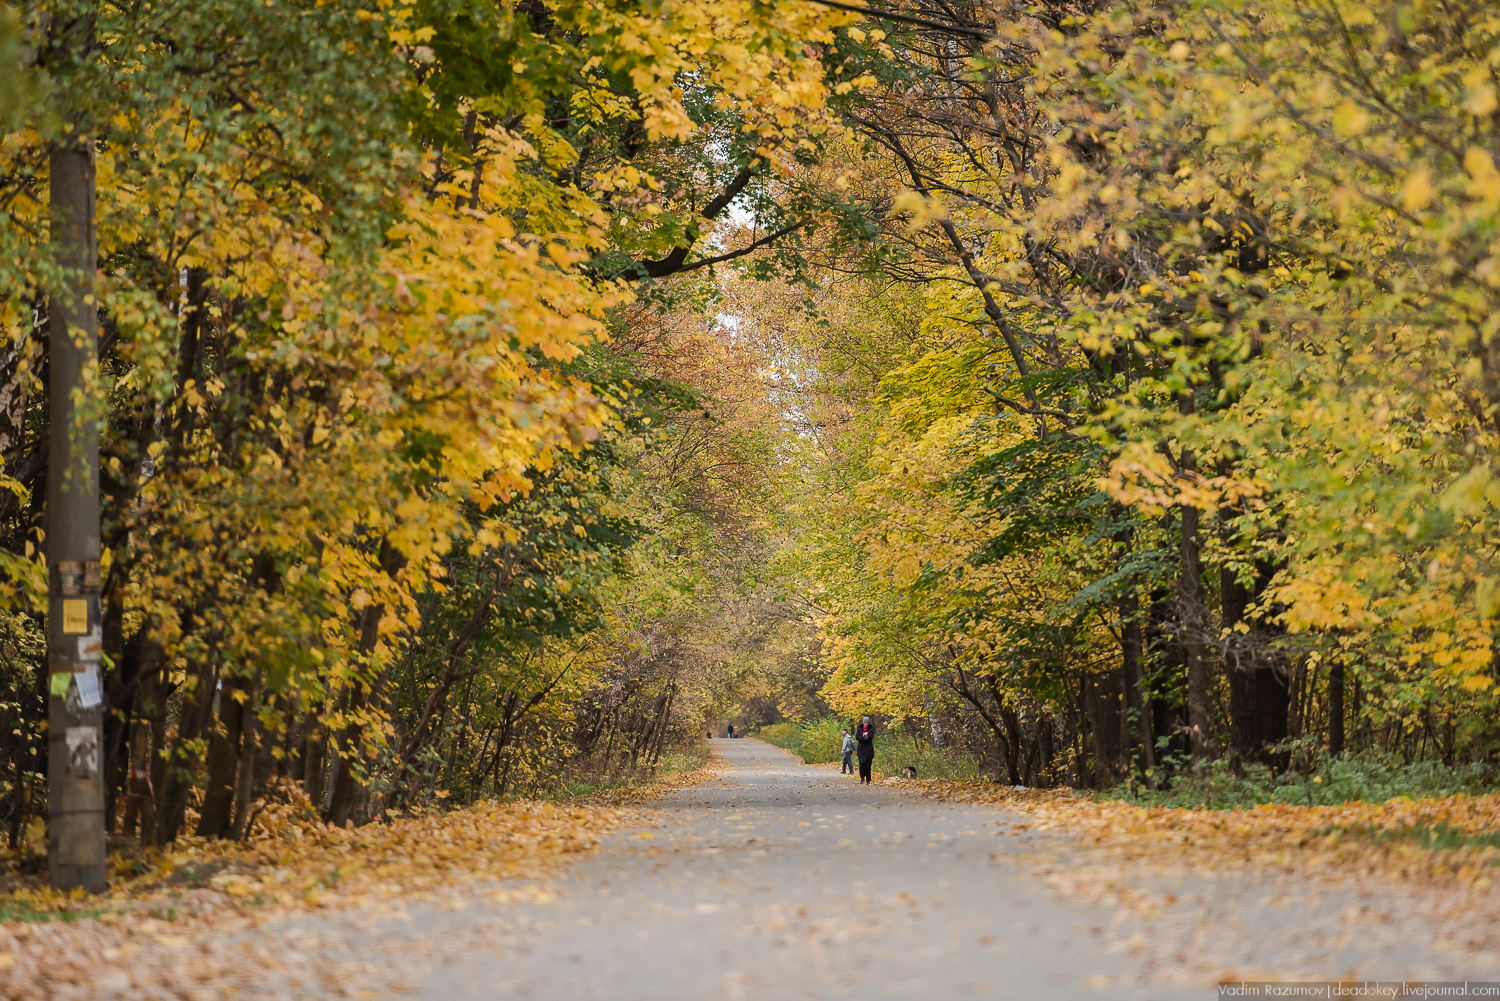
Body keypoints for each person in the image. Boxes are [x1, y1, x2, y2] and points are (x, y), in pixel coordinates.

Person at [855, 716, 875, 784]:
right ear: (863, 722)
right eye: (865, 722)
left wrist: (867, 736)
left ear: (869, 723)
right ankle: (862, 777)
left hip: (869, 750)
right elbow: (857, 737)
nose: (866, 724)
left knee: (868, 765)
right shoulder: (860, 729)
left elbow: (871, 737)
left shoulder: (871, 729)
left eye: (867, 722)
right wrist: (863, 737)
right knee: (862, 764)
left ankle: (868, 779)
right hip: (861, 750)